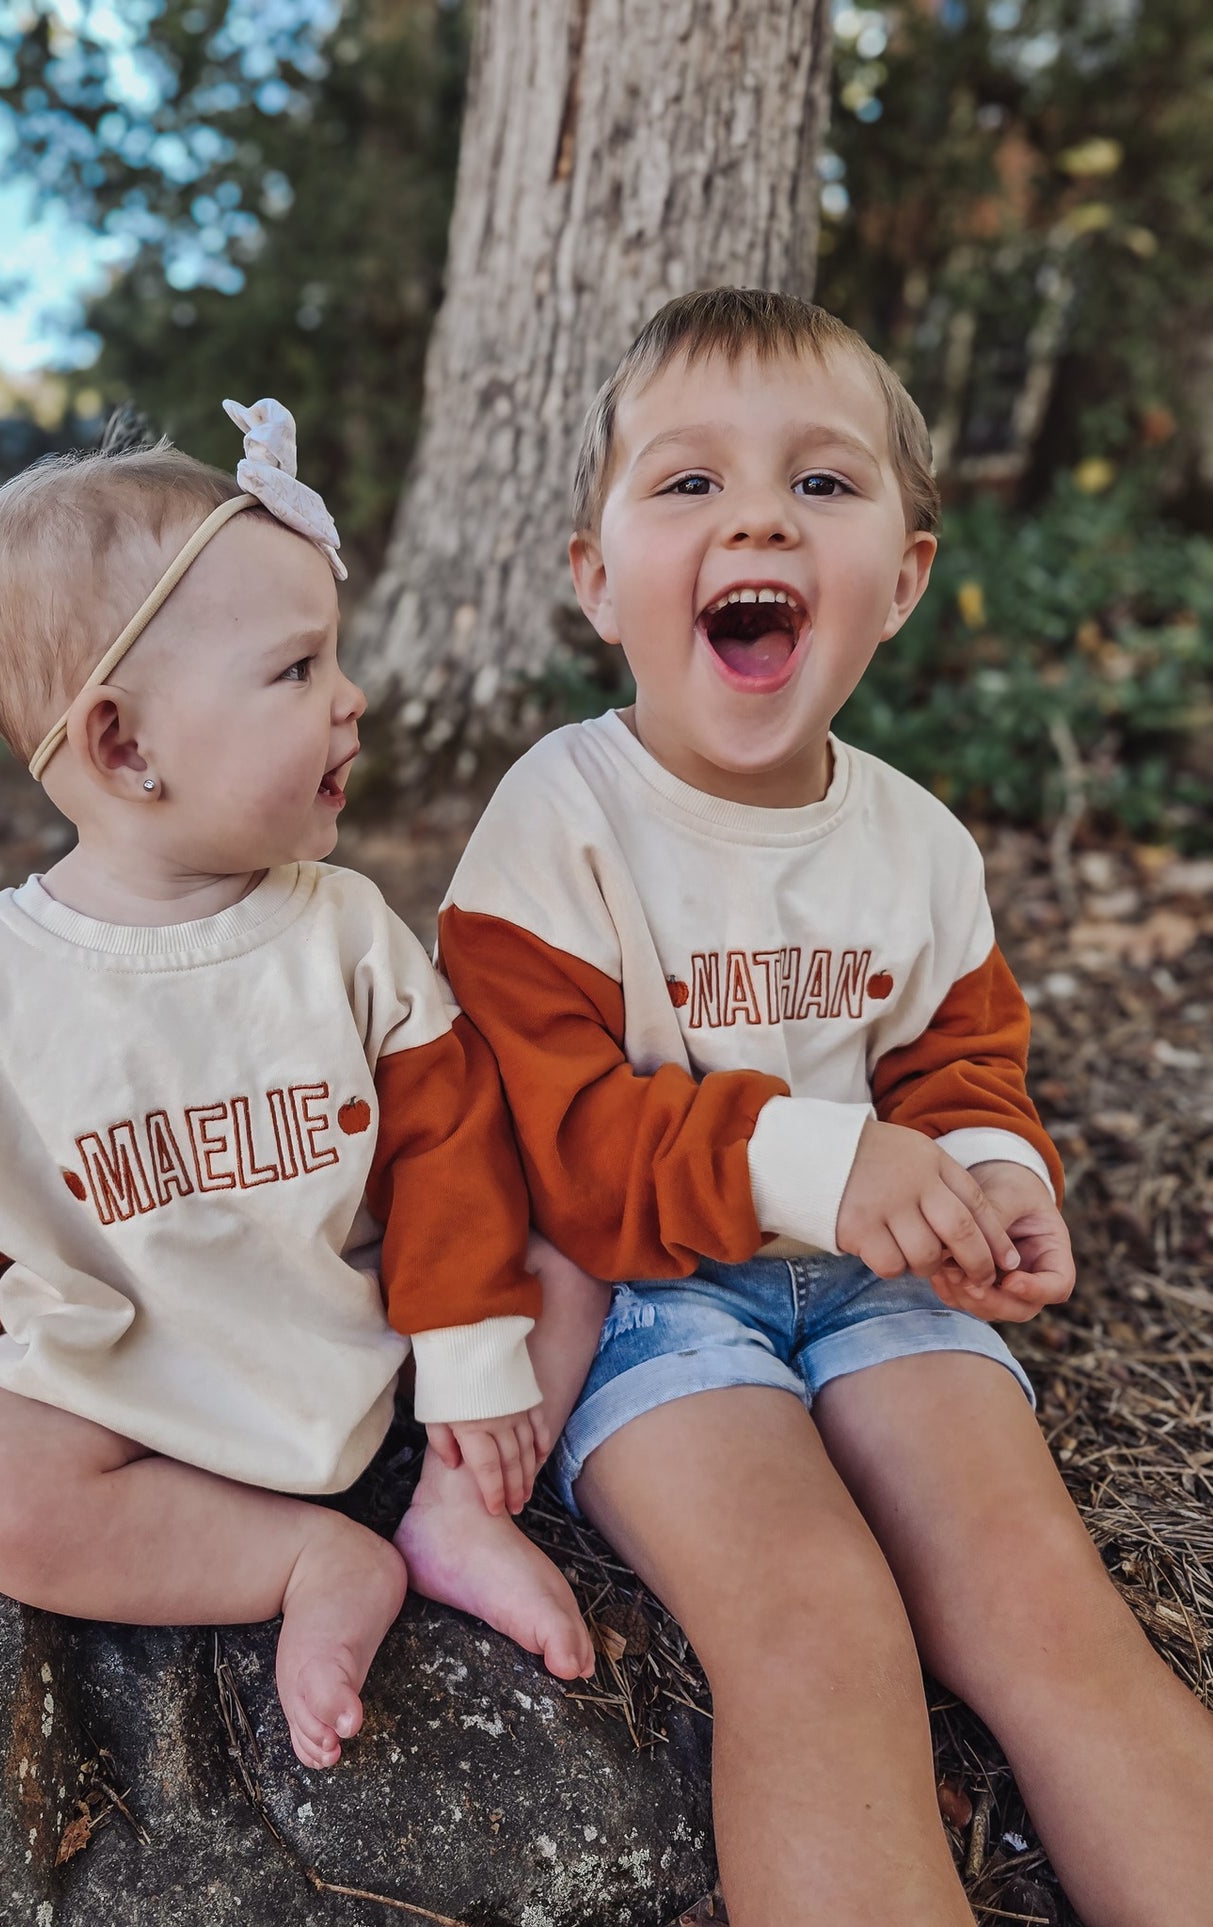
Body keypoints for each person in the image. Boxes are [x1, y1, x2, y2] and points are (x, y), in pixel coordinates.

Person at [436, 289, 1213, 1925]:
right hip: (646, 1301)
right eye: (688, 484)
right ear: (595, 578)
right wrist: (820, 1154)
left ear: (903, 580)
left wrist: (992, 1177)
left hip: (880, 1283)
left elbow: (954, 1058)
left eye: (822, 484)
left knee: (1039, 1605)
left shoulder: (915, 842)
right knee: (812, 1622)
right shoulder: (555, 823)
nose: (758, 516)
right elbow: (555, 1135)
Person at [0, 399, 606, 1771]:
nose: (352, 697)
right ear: (124, 748)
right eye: (295, 671)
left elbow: (446, 1146)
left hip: (361, 1319)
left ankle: (463, 1510)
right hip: (128, 1365)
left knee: (573, 1249)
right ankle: (308, 1565)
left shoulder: (339, 928)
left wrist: (466, 1359)